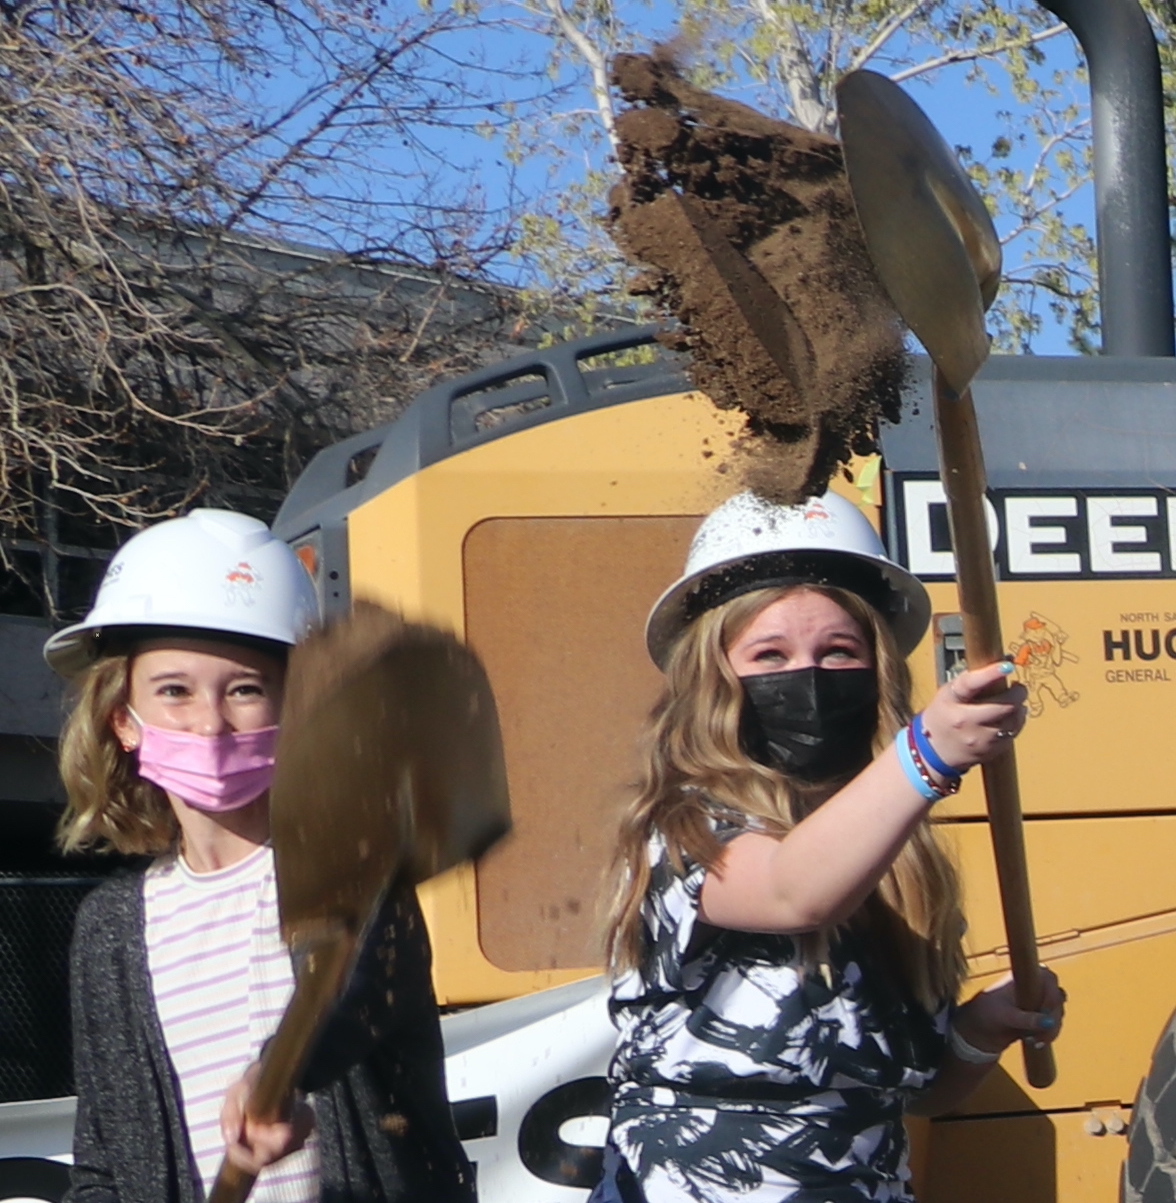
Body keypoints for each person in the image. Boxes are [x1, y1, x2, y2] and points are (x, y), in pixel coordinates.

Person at [593, 491, 1065, 1203]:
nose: (808, 675)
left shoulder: (895, 857)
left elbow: (915, 1093)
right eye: (770, 653)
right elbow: (794, 892)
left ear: (878, 667)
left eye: (839, 651)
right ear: (712, 674)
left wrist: (978, 1033)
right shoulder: (680, 828)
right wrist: (927, 755)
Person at [46, 508, 475, 1203]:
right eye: (174, 690)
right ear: (124, 720)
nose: (210, 722)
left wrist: (283, 1073)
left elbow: (352, 995)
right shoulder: (108, 930)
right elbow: (103, 1168)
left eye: (245, 688)